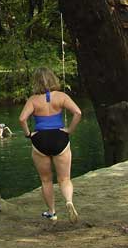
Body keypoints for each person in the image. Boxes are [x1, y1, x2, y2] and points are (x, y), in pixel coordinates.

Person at [19, 67, 82, 223]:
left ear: (36, 82)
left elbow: (22, 119)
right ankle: (68, 201)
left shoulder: (33, 99)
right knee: (65, 178)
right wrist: (69, 130)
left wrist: (28, 134)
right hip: (60, 137)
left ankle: (52, 212)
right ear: (53, 79)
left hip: (40, 139)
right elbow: (78, 113)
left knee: (46, 180)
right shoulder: (61, 96)